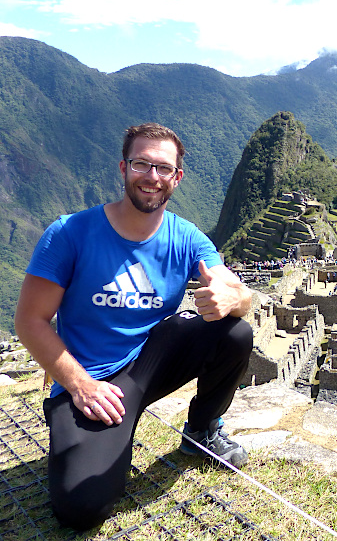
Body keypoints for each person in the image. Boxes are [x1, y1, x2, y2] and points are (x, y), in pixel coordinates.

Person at [14, 123, 254, 531]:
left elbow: (234, 288)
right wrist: (78, 384)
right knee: (80, 509)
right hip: (92, 381)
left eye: (163, 168)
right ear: (123, 168)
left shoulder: (186, 238)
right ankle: (97, 436)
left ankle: (201, 431)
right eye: (142, 164)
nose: (152, 177)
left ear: (177, 177)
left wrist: (235, 299)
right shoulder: (69, 233)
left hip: (151, 362)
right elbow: (30, 321)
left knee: (235, 331)